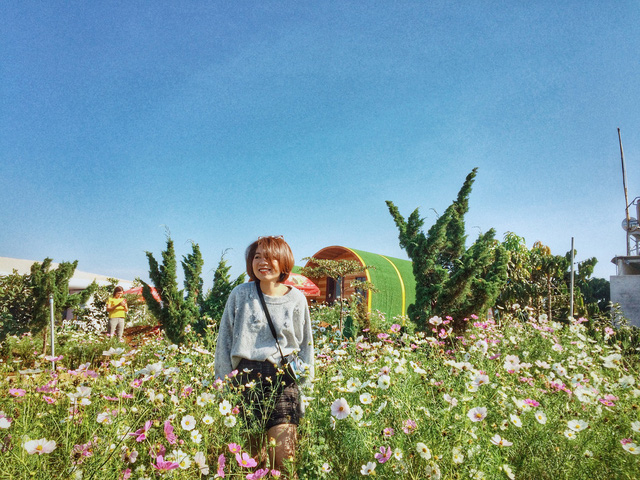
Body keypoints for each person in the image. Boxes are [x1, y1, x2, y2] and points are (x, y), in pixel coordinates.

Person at [214, 236, 314, 476]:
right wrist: (223, 388)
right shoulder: (240, 294)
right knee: (247, 463)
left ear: (283, 262)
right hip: (244, 382)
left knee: (284, 464)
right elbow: (224, 342)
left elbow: (306, 347)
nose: (262, 262)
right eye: (257, 257)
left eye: (269, 257)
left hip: (283, 382)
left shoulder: (297, 299)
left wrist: (307, 392)